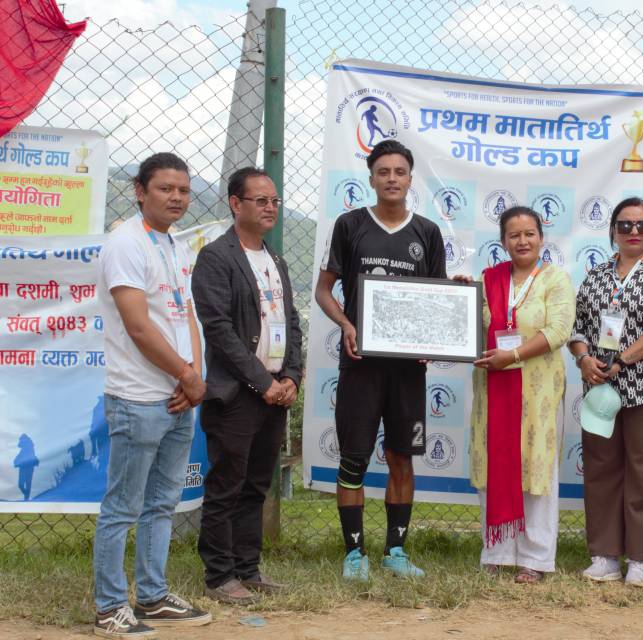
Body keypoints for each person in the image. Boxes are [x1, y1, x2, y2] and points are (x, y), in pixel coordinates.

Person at [315, 140, 446, 581]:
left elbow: (438, 301)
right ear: (371, 178)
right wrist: (346, 324)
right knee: (353, 458)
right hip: (361, 363)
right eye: (383, 171)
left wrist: (436, 336)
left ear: (411, 178)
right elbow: (323, 290)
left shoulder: (427, 231)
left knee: (401, 458)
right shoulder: (350, 224)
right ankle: (354, 554)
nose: (392, 178)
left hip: (408, 368)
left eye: (400, 172)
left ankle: (396, 551)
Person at [93, 153, 211, 637]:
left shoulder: (176, 244)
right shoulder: (125, 243)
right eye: (165, 189)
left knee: (162, 503)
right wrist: (186, 374)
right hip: (138, 397)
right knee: (123, 506)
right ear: (140, 191)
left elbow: (187, 316)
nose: (176, 197)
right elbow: (138, 327)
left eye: (183, 190)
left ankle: (154, 595)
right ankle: (109, 607)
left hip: (178, 395)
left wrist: (194, 375)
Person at [191, 167, 304, 604]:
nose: (270, 207)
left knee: (257, 485)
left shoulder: (276, 260)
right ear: (235, 205)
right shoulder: (216, 257)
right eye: (260, 200)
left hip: (276, 393)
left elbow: (290, 322)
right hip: (238, 393)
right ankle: (219, 576)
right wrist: (262, 383)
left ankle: (248, 569)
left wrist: (291, 375)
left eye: (274, 200)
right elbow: (218, 329)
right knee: (227, 485)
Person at [569, 197, 643, 586]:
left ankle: (640, 559)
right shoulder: (597, 275)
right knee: (600, 469)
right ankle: (604, 556)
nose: (634, 232)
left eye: (642, 225)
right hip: (599, 388)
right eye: (625, 225)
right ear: (613, 230)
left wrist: (623, 361)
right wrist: (584, 359)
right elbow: (577, 326)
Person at [469, 206, 575, 583]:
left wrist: (511, 356)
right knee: (496, 462)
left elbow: (559, 330)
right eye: (514, 235)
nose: (522, 241)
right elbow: (469, 329)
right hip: (493, 389)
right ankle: (497, 549)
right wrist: (458, 298)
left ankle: (535, 557)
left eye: (529, 233)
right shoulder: (487, 280)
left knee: (536, 468)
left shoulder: (555, 280)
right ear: (502, 242)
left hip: (538, 394)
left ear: (541, 238)